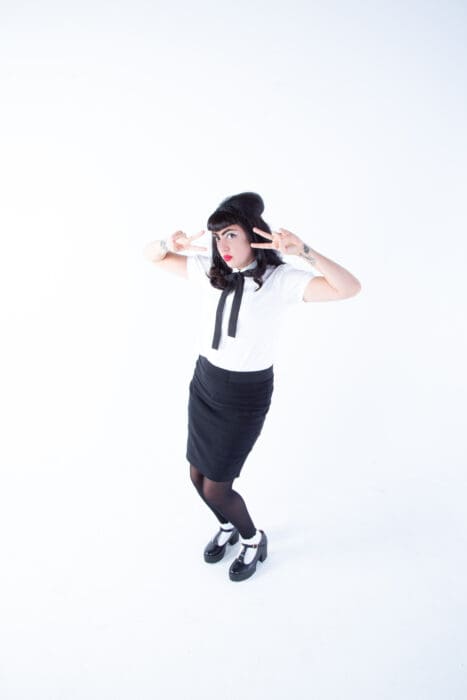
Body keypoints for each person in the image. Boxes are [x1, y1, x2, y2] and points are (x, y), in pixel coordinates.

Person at [143, 192, 361, 582]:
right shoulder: (210, 270)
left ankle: (252, 539)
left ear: (253, 234)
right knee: (196, 477)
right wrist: (167, 243)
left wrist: (305, 251)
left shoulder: (280, 280)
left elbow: (348, 288)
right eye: (217, 237)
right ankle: (227, 526)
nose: (222, 245)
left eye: (230, 234)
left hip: (244, 395)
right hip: (205, 383)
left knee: (217, 488)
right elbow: (152, 257)